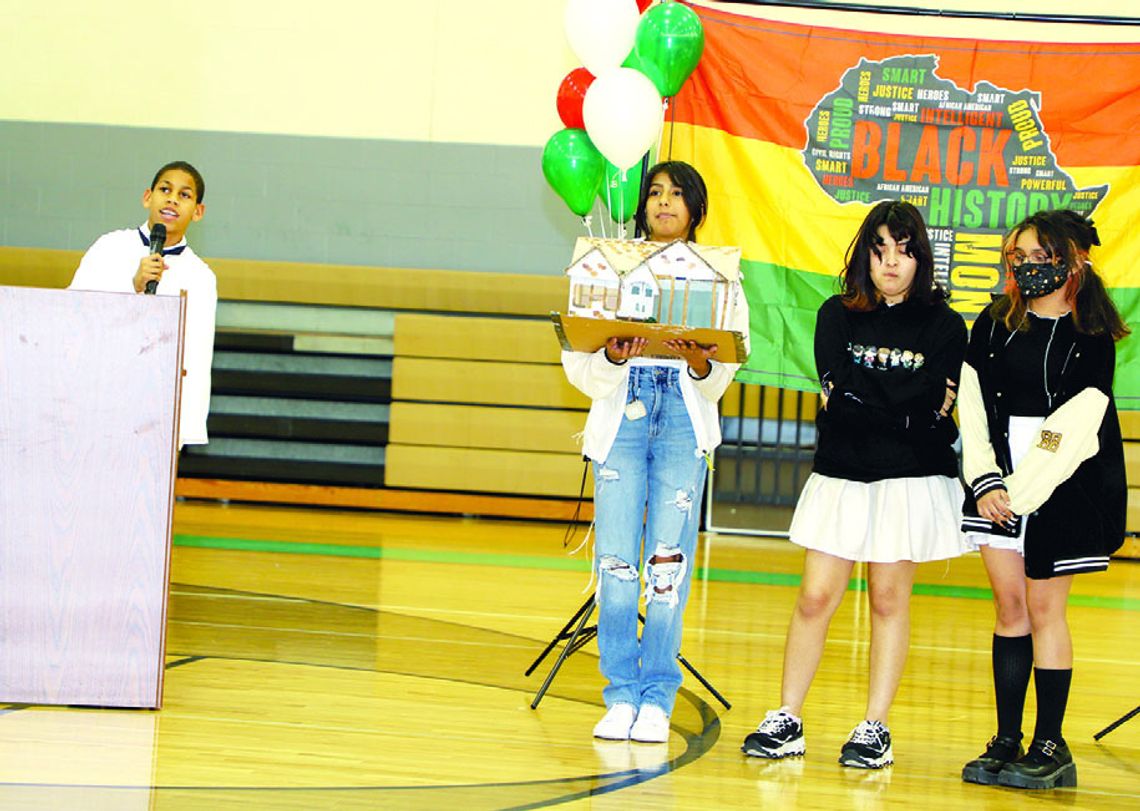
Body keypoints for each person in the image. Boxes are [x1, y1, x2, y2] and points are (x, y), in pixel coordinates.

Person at [741, 200, 968, 768]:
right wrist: (898, 403)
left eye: (904, 250)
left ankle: (875, 726)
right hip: (842, 473)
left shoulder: (945, 325)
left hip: (910, 479)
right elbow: (842, 394)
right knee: (815, 596)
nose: (891, 262)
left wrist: (866, 399)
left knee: (890, 599)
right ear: (865, 255)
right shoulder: (835, 314)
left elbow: (931, 409)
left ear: (921, 258)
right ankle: (788, 717)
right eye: (880, 249)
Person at [561, 161, 749, 743]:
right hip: (623, 418)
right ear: (642, 205)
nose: (664, 202)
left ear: (696, 208)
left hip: (681, 424)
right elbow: (578, 364)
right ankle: (619, 692)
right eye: (655, 193)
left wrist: (697, 362)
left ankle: (658, 696)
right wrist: (616, 357)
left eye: (677, 194)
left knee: (668, 563)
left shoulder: (721, 276)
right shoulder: (608, 262)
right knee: (616, 563)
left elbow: (725, 370)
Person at [958, 209, 1128, 790]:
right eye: (1020, 258)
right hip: (997, 486)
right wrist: (986, 481)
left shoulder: (1092, 334)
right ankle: (1008, 738)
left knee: (1045, 609)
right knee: (1010, 608)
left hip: (1064, 482)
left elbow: (1075, 422)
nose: (1029, 268)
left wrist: (1023, 490)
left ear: (1072, 262)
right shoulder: (993, 323)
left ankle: (1051, 745)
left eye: (1041, 258)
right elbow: (974, 406)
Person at [69, 160, 217, 448]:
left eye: (184, 195)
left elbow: (196, 357)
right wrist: (131, 287)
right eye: (165, 189)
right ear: (148, 197)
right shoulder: (109, 247)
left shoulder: (201, 277)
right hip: (97, 398)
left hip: (156, 414)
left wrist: (185, 429)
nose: (173, 199)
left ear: (198, 211)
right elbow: (74, 315)